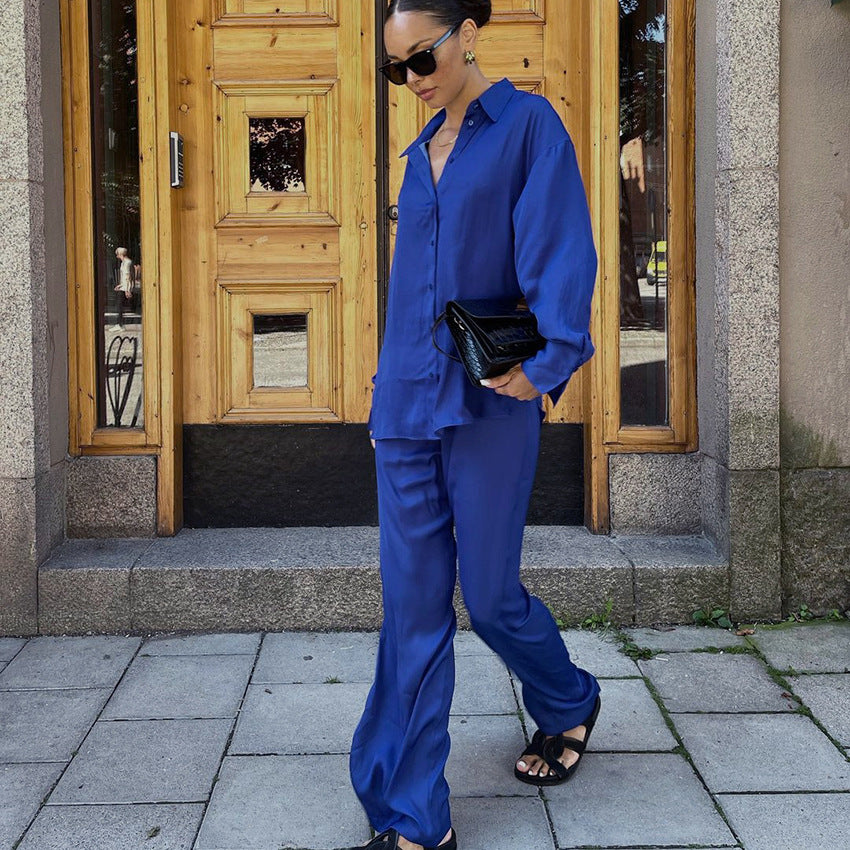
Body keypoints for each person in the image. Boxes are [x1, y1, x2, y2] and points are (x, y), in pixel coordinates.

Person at [346, 3, 602, 849]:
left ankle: (567, 700)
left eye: (423, 58)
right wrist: (386, 398)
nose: (413, 81)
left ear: (468, 33)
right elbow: (410, 289)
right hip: (410, 408)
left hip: (492, 402)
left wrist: (550, 358)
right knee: (413, 609)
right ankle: (418, 817)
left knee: (489, 600)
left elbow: (561, 242)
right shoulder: (418, 156)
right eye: (397, 70)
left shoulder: (528, 125)